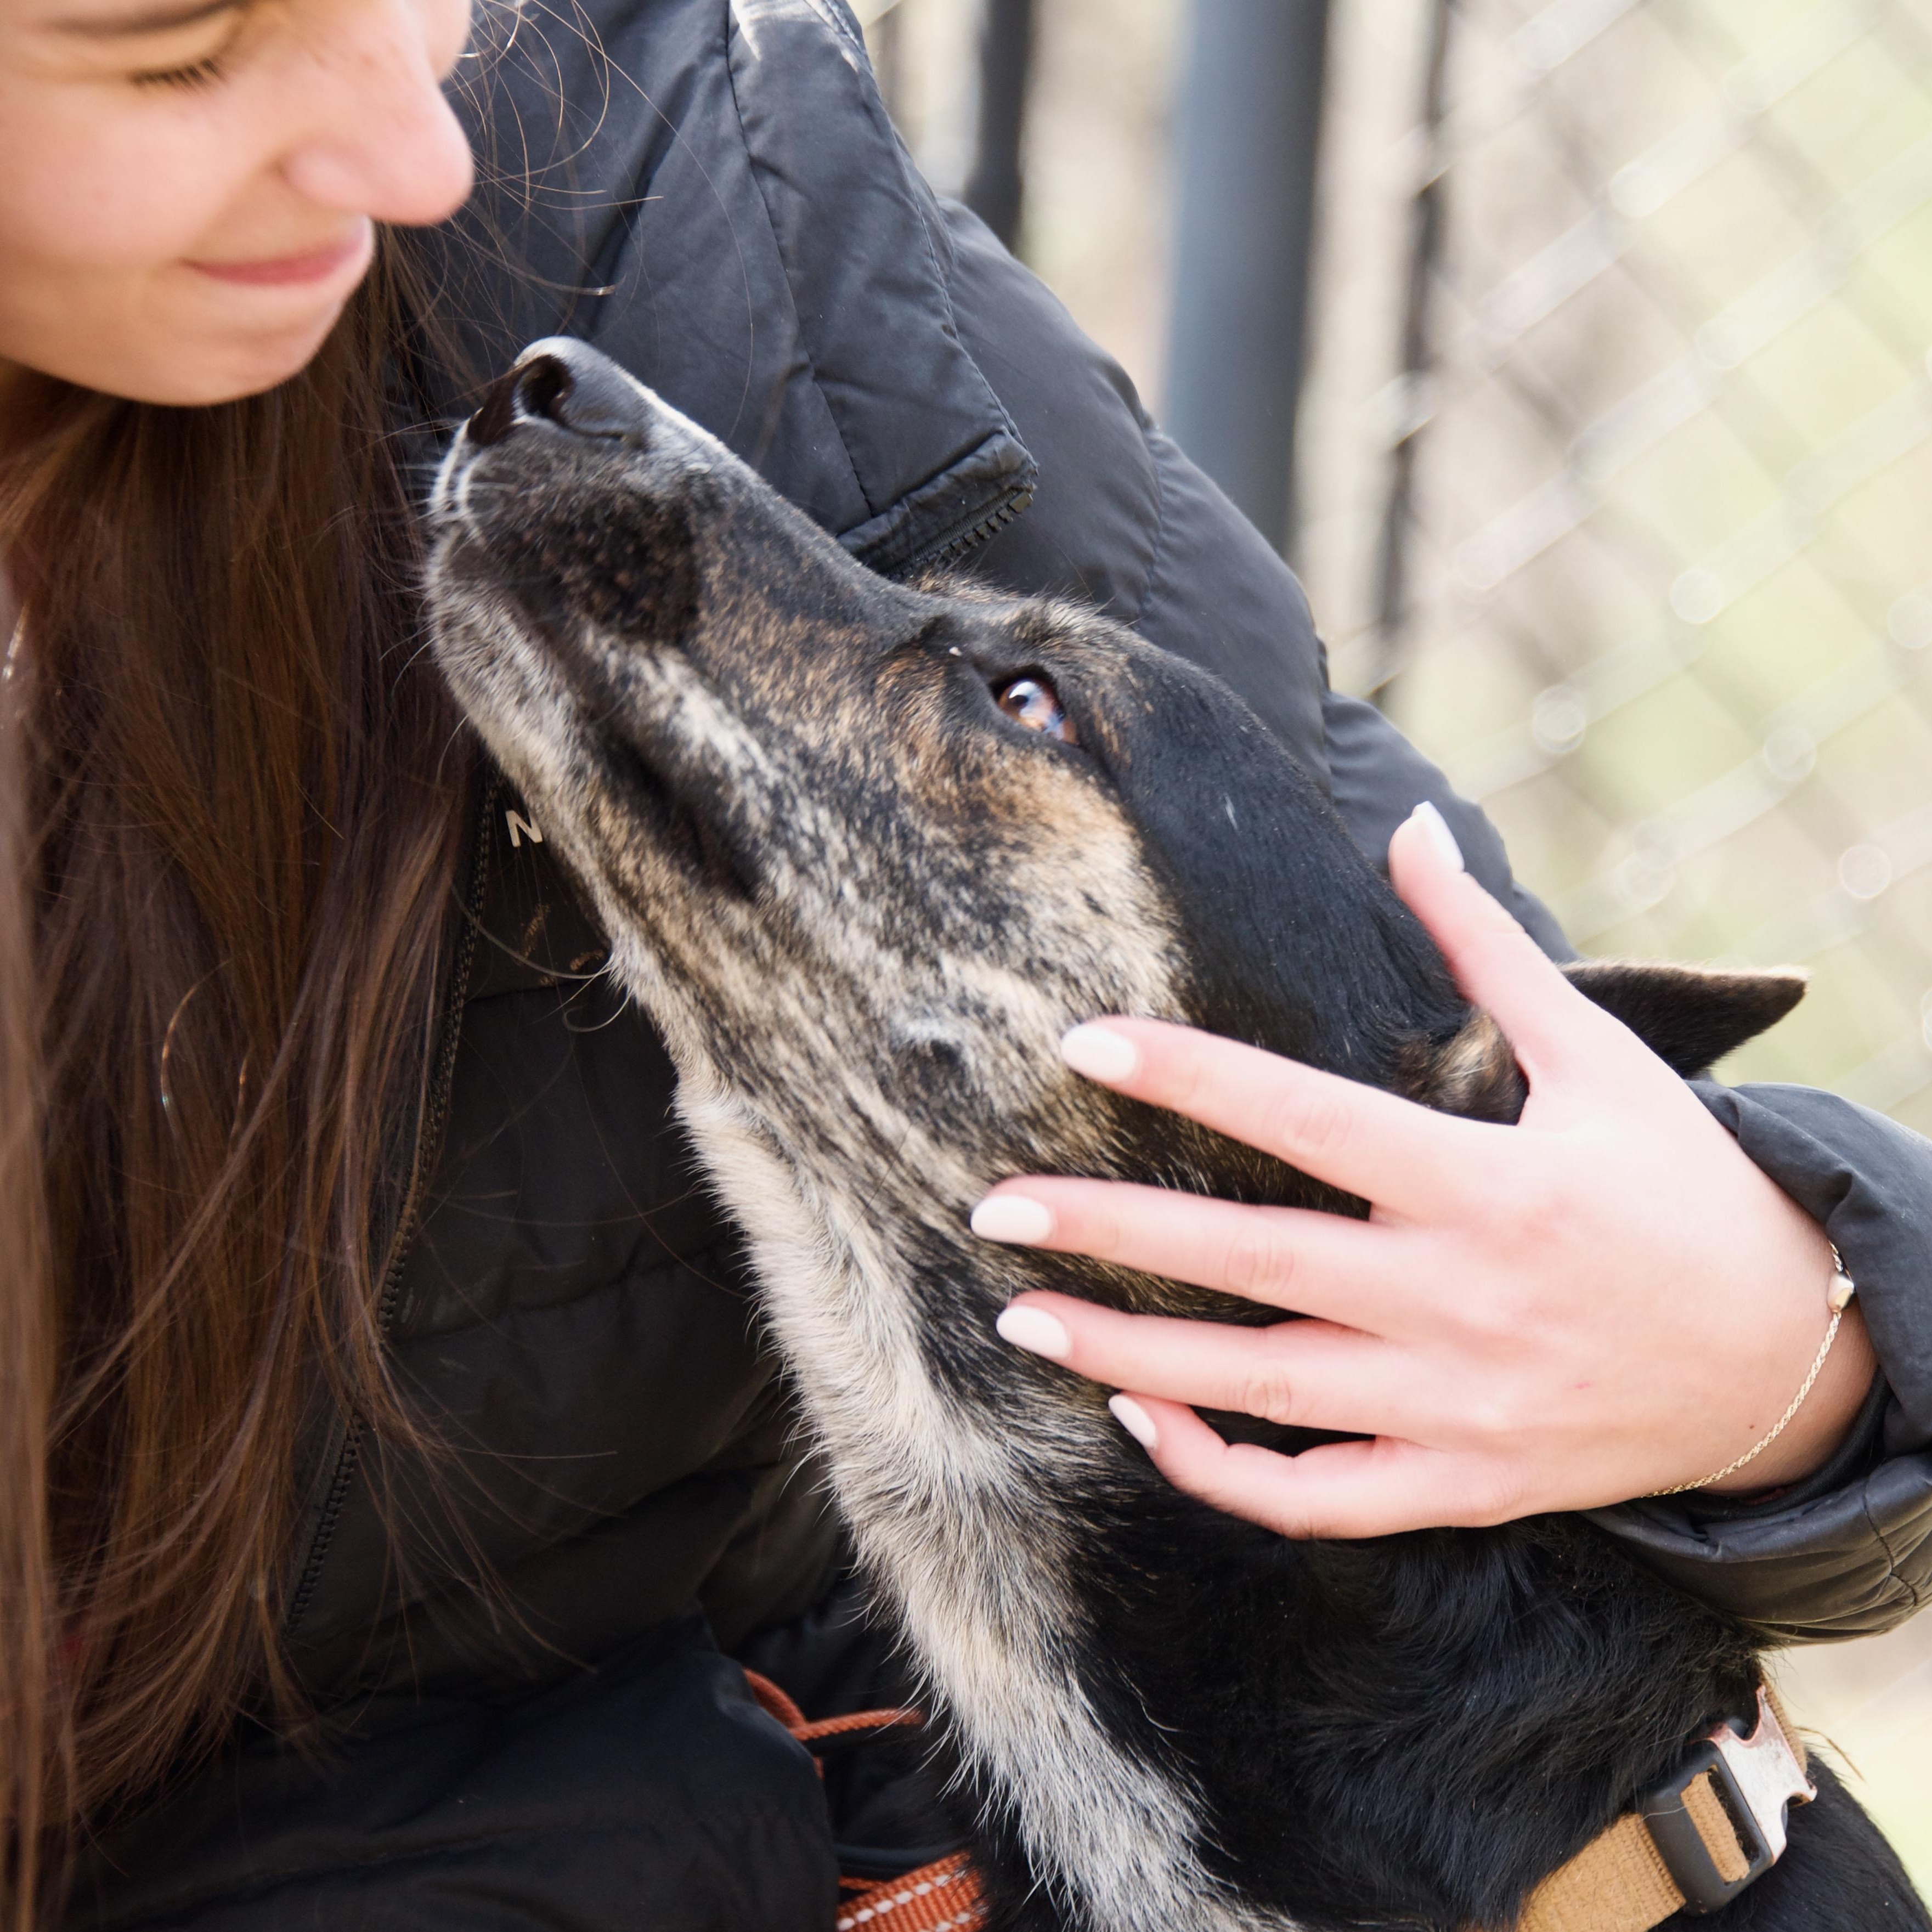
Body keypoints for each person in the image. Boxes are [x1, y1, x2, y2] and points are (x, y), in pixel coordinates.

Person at [0, 0, 1925, 1925]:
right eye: (172, 53)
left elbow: (1417, 1021)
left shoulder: (683, 227)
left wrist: (1790, 1351)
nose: (421, 152)